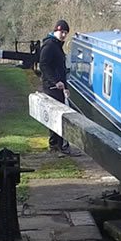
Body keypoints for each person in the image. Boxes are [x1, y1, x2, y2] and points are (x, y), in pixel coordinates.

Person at [39, 19, 72, 155]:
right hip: (52, 88)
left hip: (59, 88)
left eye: (65, 33)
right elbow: (44, 65)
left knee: (60, 116)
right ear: (55, 31)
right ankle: (54, 146)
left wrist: (66, 86)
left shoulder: (57, 46)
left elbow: (61, 69)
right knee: (55, 116)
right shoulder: (50, 46)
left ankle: (59, 145)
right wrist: (55, 82)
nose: (63, 35)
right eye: (61, 32)